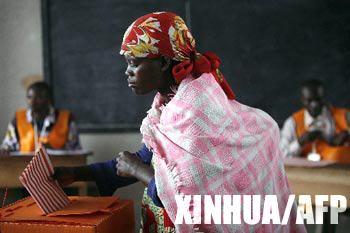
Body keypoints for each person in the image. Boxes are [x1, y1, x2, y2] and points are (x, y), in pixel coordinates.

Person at [54, 12, 305, 232]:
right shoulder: (168, 102)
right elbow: (148, 158)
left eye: (134, 63)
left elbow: (188, 200)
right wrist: (76, 173)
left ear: (163, 62)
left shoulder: (195, 110)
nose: (127, 72)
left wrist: (137, 171)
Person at [0, 81, 81, 155]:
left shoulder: (66, 118)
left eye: (38, 97)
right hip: (24, 167)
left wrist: (54, 150)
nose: (32, 101)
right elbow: (8, 144)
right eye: (29, 97)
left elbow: (75, 150)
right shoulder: (18, 118)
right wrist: (6, 149)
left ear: (49, 99)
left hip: (58, 167)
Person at [280, 79, 350, 162]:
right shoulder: (292, 123)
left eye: (318, 99)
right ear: (302, 100)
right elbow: (281, 156)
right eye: (309, 100)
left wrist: (347, 135)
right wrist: (300, 142)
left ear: (324, 97)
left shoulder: (344, 116)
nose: (315, 104)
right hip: (305, 173)